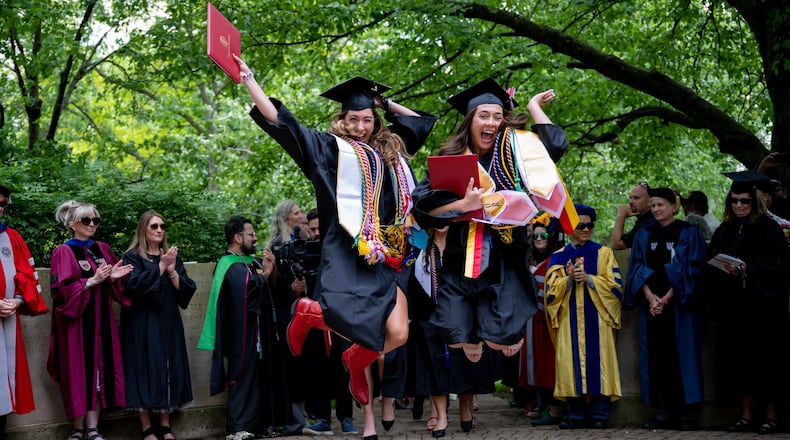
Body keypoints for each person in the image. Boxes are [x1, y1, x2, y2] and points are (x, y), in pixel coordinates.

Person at [234, 56, 436, 440]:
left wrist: (383, 103)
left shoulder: (390, 153)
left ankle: (347, 352)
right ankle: (310, 314)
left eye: (367, 120)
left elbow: (417, 123)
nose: (360, 127)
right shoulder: (330, 151)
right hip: (346, 253)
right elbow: (283, 123)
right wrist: (250, 81)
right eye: (353, 119)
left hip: (385, 256)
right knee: (354, 322)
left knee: (398, 334)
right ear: (342, 120)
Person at [411, 77, 570, 434]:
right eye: (484, 115)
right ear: (469, 121)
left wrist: (533, 108)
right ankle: (472, 339)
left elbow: (553, 149)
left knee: (501, 337)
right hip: (458, 263)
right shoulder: (450, 161)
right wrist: (463, 205)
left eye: (498, 116)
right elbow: (423, 207)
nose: (492, 123)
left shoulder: (514, 154)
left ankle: (497, 338)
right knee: (454, 333)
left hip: (503, 262)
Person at [705, 171, 790, 435]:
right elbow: (710, 264)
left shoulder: (769, 229)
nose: (739, 205)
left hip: (763, 311)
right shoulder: (724, 229)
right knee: (738, 363)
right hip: (735, 310)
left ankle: (772, 416)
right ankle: (746, 415)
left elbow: (779, 267)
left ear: (755, 201)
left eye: (745, 201)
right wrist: (725, 270)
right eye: (734, 201)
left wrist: (749, 269)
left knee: (767, 363)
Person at [48, 200, 134, 440]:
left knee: (98, 373)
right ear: (72, 224)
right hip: (77, 324)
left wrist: (113, 278)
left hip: (102, 322)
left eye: (95, 220)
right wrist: (90, 282)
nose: (92, 224)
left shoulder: (102, 249)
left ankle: (93, 429)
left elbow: (116, 289)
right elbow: (60, 291)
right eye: (86, 220)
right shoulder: (63, 251)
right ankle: (77, 429)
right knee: (78, 373)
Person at [625, 188, 707, 431]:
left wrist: (666, 299)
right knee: (658, 358)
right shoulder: (644, 234)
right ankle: (663, 413)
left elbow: (689, 271)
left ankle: (688, 415)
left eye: (661, 204)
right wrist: (651, 298)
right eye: (653, 206)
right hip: (653, 307)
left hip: (679, 306)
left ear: (675, 206)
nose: (656, 209)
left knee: (683, 357)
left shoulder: (688, 233)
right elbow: (637, 267)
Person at [197, 217, 276, 440]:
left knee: (257, 377)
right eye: (251, 234)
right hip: (239, 333)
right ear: (237, 237)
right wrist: (266, 274)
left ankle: (256, 425)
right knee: (243, 377)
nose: (255, 238)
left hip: (256, 331)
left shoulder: (250, 261)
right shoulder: (228, 264)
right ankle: (238, 427)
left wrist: (270, 270)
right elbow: (247, 289)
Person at [545, 204, 622, 429]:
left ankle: (600, 414)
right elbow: (550, 293)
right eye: (581, 225)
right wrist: (568, 280)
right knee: (570, 364)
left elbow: (616, 288)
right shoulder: (559, 257)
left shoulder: (604, 253)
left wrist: (589, 279)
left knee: (601, 364)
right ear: (570, 227)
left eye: (590, 225)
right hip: (569, 321)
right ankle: (576, 414)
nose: (586, 229)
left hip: (598, 321)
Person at [121, 211, 197, 440]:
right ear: (143, 229)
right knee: (142, 369)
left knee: (168, 367)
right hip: (141, 323)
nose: (159, 230)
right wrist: (160, 268)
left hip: (168, 321)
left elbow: (186, 290)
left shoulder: (171, 256)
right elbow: (133, 288)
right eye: (154, 226)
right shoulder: (132, 257)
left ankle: (165, 426)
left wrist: (172, 270)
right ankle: (146, 428)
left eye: (162, 226)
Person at [0, 185, 48, 440]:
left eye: (2, 204)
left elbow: (26, 274)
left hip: (7, 320)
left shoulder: (12, 237)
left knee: (5, 383)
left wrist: (18, 299)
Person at [524, 216, 566, 426]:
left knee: (550, 365)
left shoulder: (557, 260)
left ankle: (555, 407)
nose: (539, 238)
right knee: (535, 365)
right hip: (532, 321)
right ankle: (540, 404)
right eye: (537, 235)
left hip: (549, 321)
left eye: (544, 235)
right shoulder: (532, 260)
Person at [611, 182, 655, 250]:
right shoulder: (644, 220)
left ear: (650, 202)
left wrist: (621, 215)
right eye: (630, 198)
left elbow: (616, 245)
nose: (631, 202)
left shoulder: (648, 223)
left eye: (636, 198)